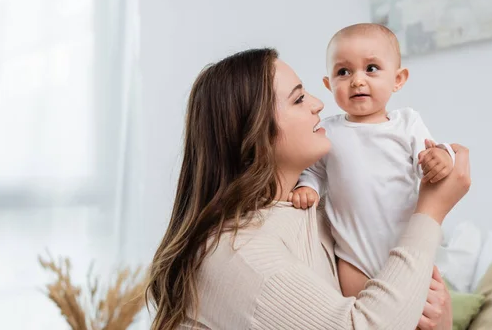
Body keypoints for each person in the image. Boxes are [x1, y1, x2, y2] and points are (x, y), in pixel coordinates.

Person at [146, 48, 471, 330]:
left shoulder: (318, 213)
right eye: (299, 98)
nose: (318, 104)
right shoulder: (236, 254)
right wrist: (430, 211)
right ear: (255, 131)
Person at [292, 24, 455, 306]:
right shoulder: (327, 132)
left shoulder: (407, 123)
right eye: (343, 72)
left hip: (406, 249)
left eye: (371, 68)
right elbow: (314, 170)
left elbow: (432, 158)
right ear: (329, 84)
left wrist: (442, 157)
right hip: (353, 256)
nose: (357, 81)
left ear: (398, 79)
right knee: (362, 314)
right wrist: (308, 186)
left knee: (419, 314)